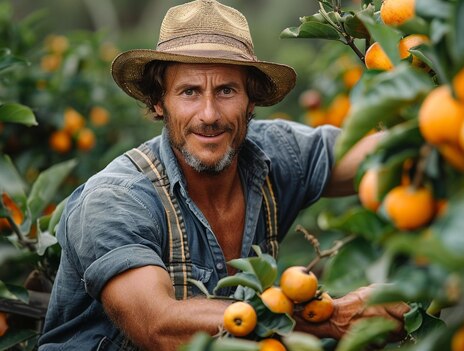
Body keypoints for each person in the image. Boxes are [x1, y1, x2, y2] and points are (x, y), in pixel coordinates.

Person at [38, 0, 408, 350]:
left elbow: (391, 156)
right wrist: (329, 317)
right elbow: (158, 326)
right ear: (158, 100)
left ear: (251, 100)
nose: (209, 114)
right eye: (189, 92)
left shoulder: (276, 156)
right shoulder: (117, 198)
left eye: (227, 90)